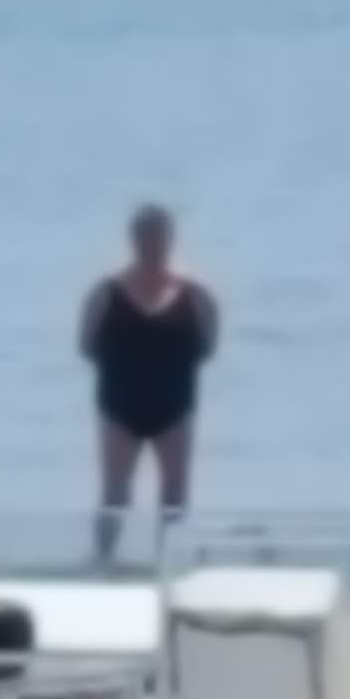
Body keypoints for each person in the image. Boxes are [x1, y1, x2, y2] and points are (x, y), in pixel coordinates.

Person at [78, 206, 218, 564]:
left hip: (174, 406)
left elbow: (207, 348)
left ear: (170, 240)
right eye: (145, 237)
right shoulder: (106, 293)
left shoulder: (196, 296)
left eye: (158, 237)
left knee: (175, 497)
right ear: (132, 240)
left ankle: (170, 566)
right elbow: (86, 346)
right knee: (114, 495)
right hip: (119, 406)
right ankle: (101, 562)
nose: (152, 244)